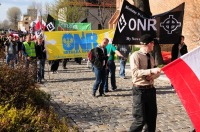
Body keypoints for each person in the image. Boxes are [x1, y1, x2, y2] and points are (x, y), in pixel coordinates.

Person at [129, 34, 161, 132]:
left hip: (151, 89)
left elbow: (155, 73)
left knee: (151, 119)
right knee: (140, 119)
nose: (153, 45)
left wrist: (153, 75)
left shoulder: (150, 57)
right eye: (152, 43)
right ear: (148, 44)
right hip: (139, 90)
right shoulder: (136, 55)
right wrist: (150, 71)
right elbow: (135, 72)